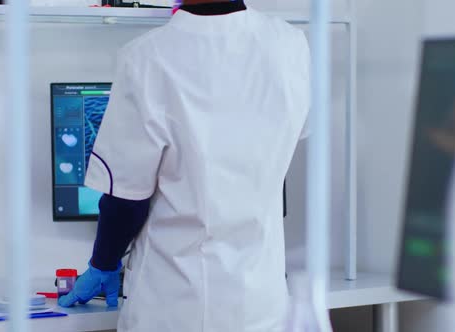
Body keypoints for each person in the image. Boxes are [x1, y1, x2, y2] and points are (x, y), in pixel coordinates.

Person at [58, 0, 311, 331]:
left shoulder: (147, 57)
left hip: (175, 302)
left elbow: (126, 200)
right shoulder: (290, 44)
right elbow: (290, 135)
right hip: (261, 301)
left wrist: (103, 263)